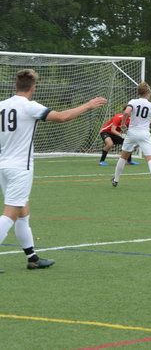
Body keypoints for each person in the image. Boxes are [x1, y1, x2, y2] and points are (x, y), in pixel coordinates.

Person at [0, 69, 106, 273]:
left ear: (15, 86)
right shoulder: (29, 106)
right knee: (10, 215)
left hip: (3, 165)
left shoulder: (2, 105)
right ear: (33, 88)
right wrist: (88, 105)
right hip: (20, 168)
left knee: (22, 213)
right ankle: (32, 258)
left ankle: (32, 258)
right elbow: (61, 117)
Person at [111, 82, 151, 189]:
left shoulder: (133, 102)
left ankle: (116, 179)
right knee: (150, 158)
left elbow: (126, 112)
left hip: (132, 133)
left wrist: (123, 124)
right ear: (148, 92)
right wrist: (149, 122)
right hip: (144, 134)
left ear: (139, 92)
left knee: (123, 157)